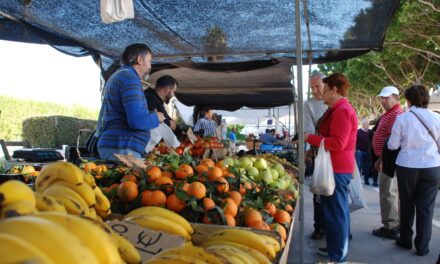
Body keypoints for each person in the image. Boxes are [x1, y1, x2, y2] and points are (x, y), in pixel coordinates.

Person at [305, 73, 357, 263]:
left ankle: (338, 257)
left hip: (337, 168)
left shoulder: (343, 110)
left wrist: (309, 138)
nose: (322, 94)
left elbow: (338, 143)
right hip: (334, 168)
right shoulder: (337, 108)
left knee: (337, 213)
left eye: (325, 90)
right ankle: (335, 250)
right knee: (335, 212)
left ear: (335, 90)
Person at [387, 85, 440, 256]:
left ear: (408, 100)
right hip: (432, 167)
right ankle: (422, 247)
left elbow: (392, 145)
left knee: (407, 205)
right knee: (426, 208)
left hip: (408, 166)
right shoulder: (436, 117)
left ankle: (405, 239)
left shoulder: (403, 118)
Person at [97, 43, 165, 161]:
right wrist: (156, 117)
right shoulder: (130, 79)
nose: (150, 66)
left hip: (117, 147)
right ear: (140, 60)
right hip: (122, 149)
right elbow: (136, 120)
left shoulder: (119, 75)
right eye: (149, 61)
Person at [371, 86, 403, 239]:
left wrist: (381, 160)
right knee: (390, 192)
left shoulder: (396, 114)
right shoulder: (390, 113)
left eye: (386, 98)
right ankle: (394, 224)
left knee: (388, 193)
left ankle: (391, 226)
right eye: (381, 98)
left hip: (388, 161)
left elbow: (392, 141)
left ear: (396, 98)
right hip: (387, 160)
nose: (383, 101)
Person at [304, 73, 328, 240]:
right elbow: (308, 130)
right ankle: (319, 227)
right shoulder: (309, 104)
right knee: (319, 191)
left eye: (317, 86)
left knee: (335, 194)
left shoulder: (334, 102)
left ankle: (339, 228)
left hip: (334, 153)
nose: (315, 90)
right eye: (312, 87)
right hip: (318, 153)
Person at [356, 118, 372, 185]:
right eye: (367, 124)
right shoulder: (358, 132)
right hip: (360, 152)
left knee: (367, 167)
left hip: (368, 152)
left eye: (368, 124)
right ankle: (358, 181)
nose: (368, 125)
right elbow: (355, 141)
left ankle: (366, 180)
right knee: (359, 166)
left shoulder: (370, 132)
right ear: (363, 124)